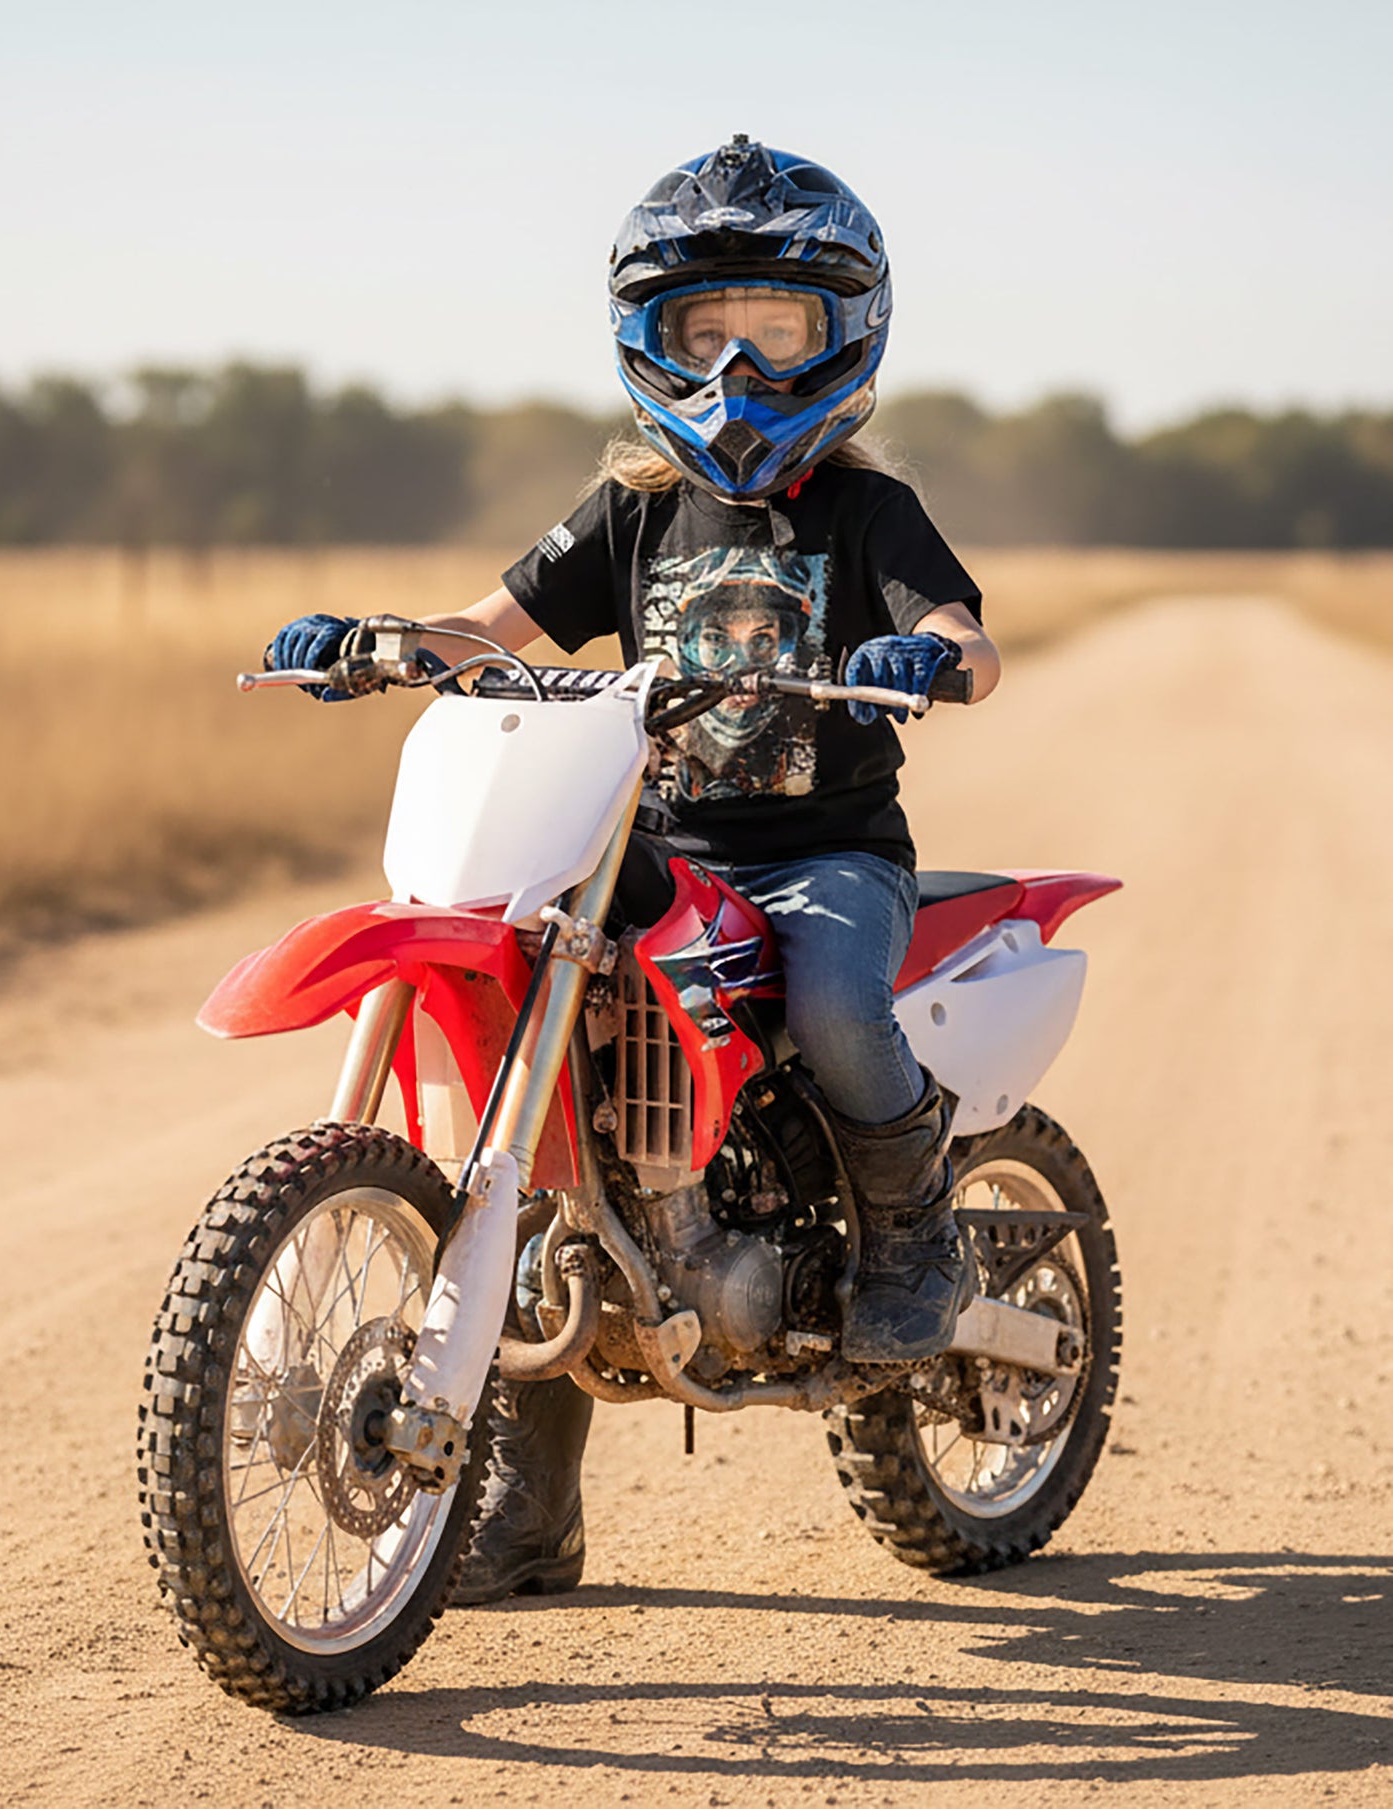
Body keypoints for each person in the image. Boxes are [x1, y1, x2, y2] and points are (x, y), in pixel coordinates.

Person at [268, 136, 1001, 1605]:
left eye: (774, 327)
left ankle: (914, 1234)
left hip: (826, 858)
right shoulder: (630, 510)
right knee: (554, 1153)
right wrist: (379, 642)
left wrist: (928, 657)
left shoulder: (867, 512)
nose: (736, 365)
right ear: (645, 340)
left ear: (844, 332)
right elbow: (490, 630)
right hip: (648, 862)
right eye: (701, 328)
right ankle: (525, 1518)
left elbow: (967, 637)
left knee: (836, 1004)